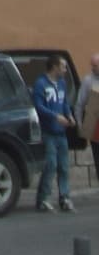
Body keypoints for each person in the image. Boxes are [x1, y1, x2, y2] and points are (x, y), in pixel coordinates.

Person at [33, 54, 74, 211]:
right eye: (63, 66)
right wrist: (55, 116)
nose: (65, 70)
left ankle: (65, 197)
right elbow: (39, 106)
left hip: (61, 133)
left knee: (64, 167)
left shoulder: (62, 83)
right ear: (55, 67)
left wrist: (69, 115)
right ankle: (43, 198)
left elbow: (64, 103)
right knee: (50, 165)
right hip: (48, 132)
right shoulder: (41, 84)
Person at [75, 52, 99, 177]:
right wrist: (80, 124)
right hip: (95, 125)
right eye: (92, 65)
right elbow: (80, 104)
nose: (93, 68)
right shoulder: (88, 81)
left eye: (95, 66)